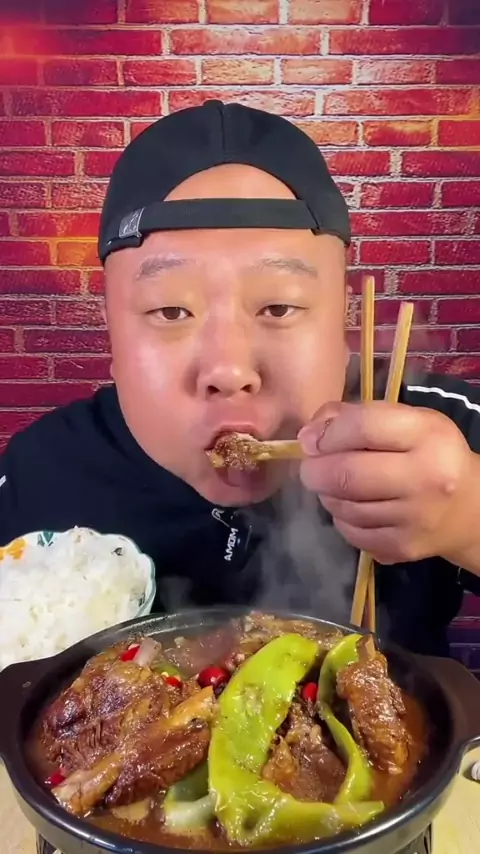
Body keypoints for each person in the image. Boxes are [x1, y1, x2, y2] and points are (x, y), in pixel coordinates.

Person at [1, 100, 479, 656]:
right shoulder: (40, 470)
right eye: (171, 312)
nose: (229, 371)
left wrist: (468, 515)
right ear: (112, 335)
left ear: (344, 319)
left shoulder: (435, 429)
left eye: (278, 307)